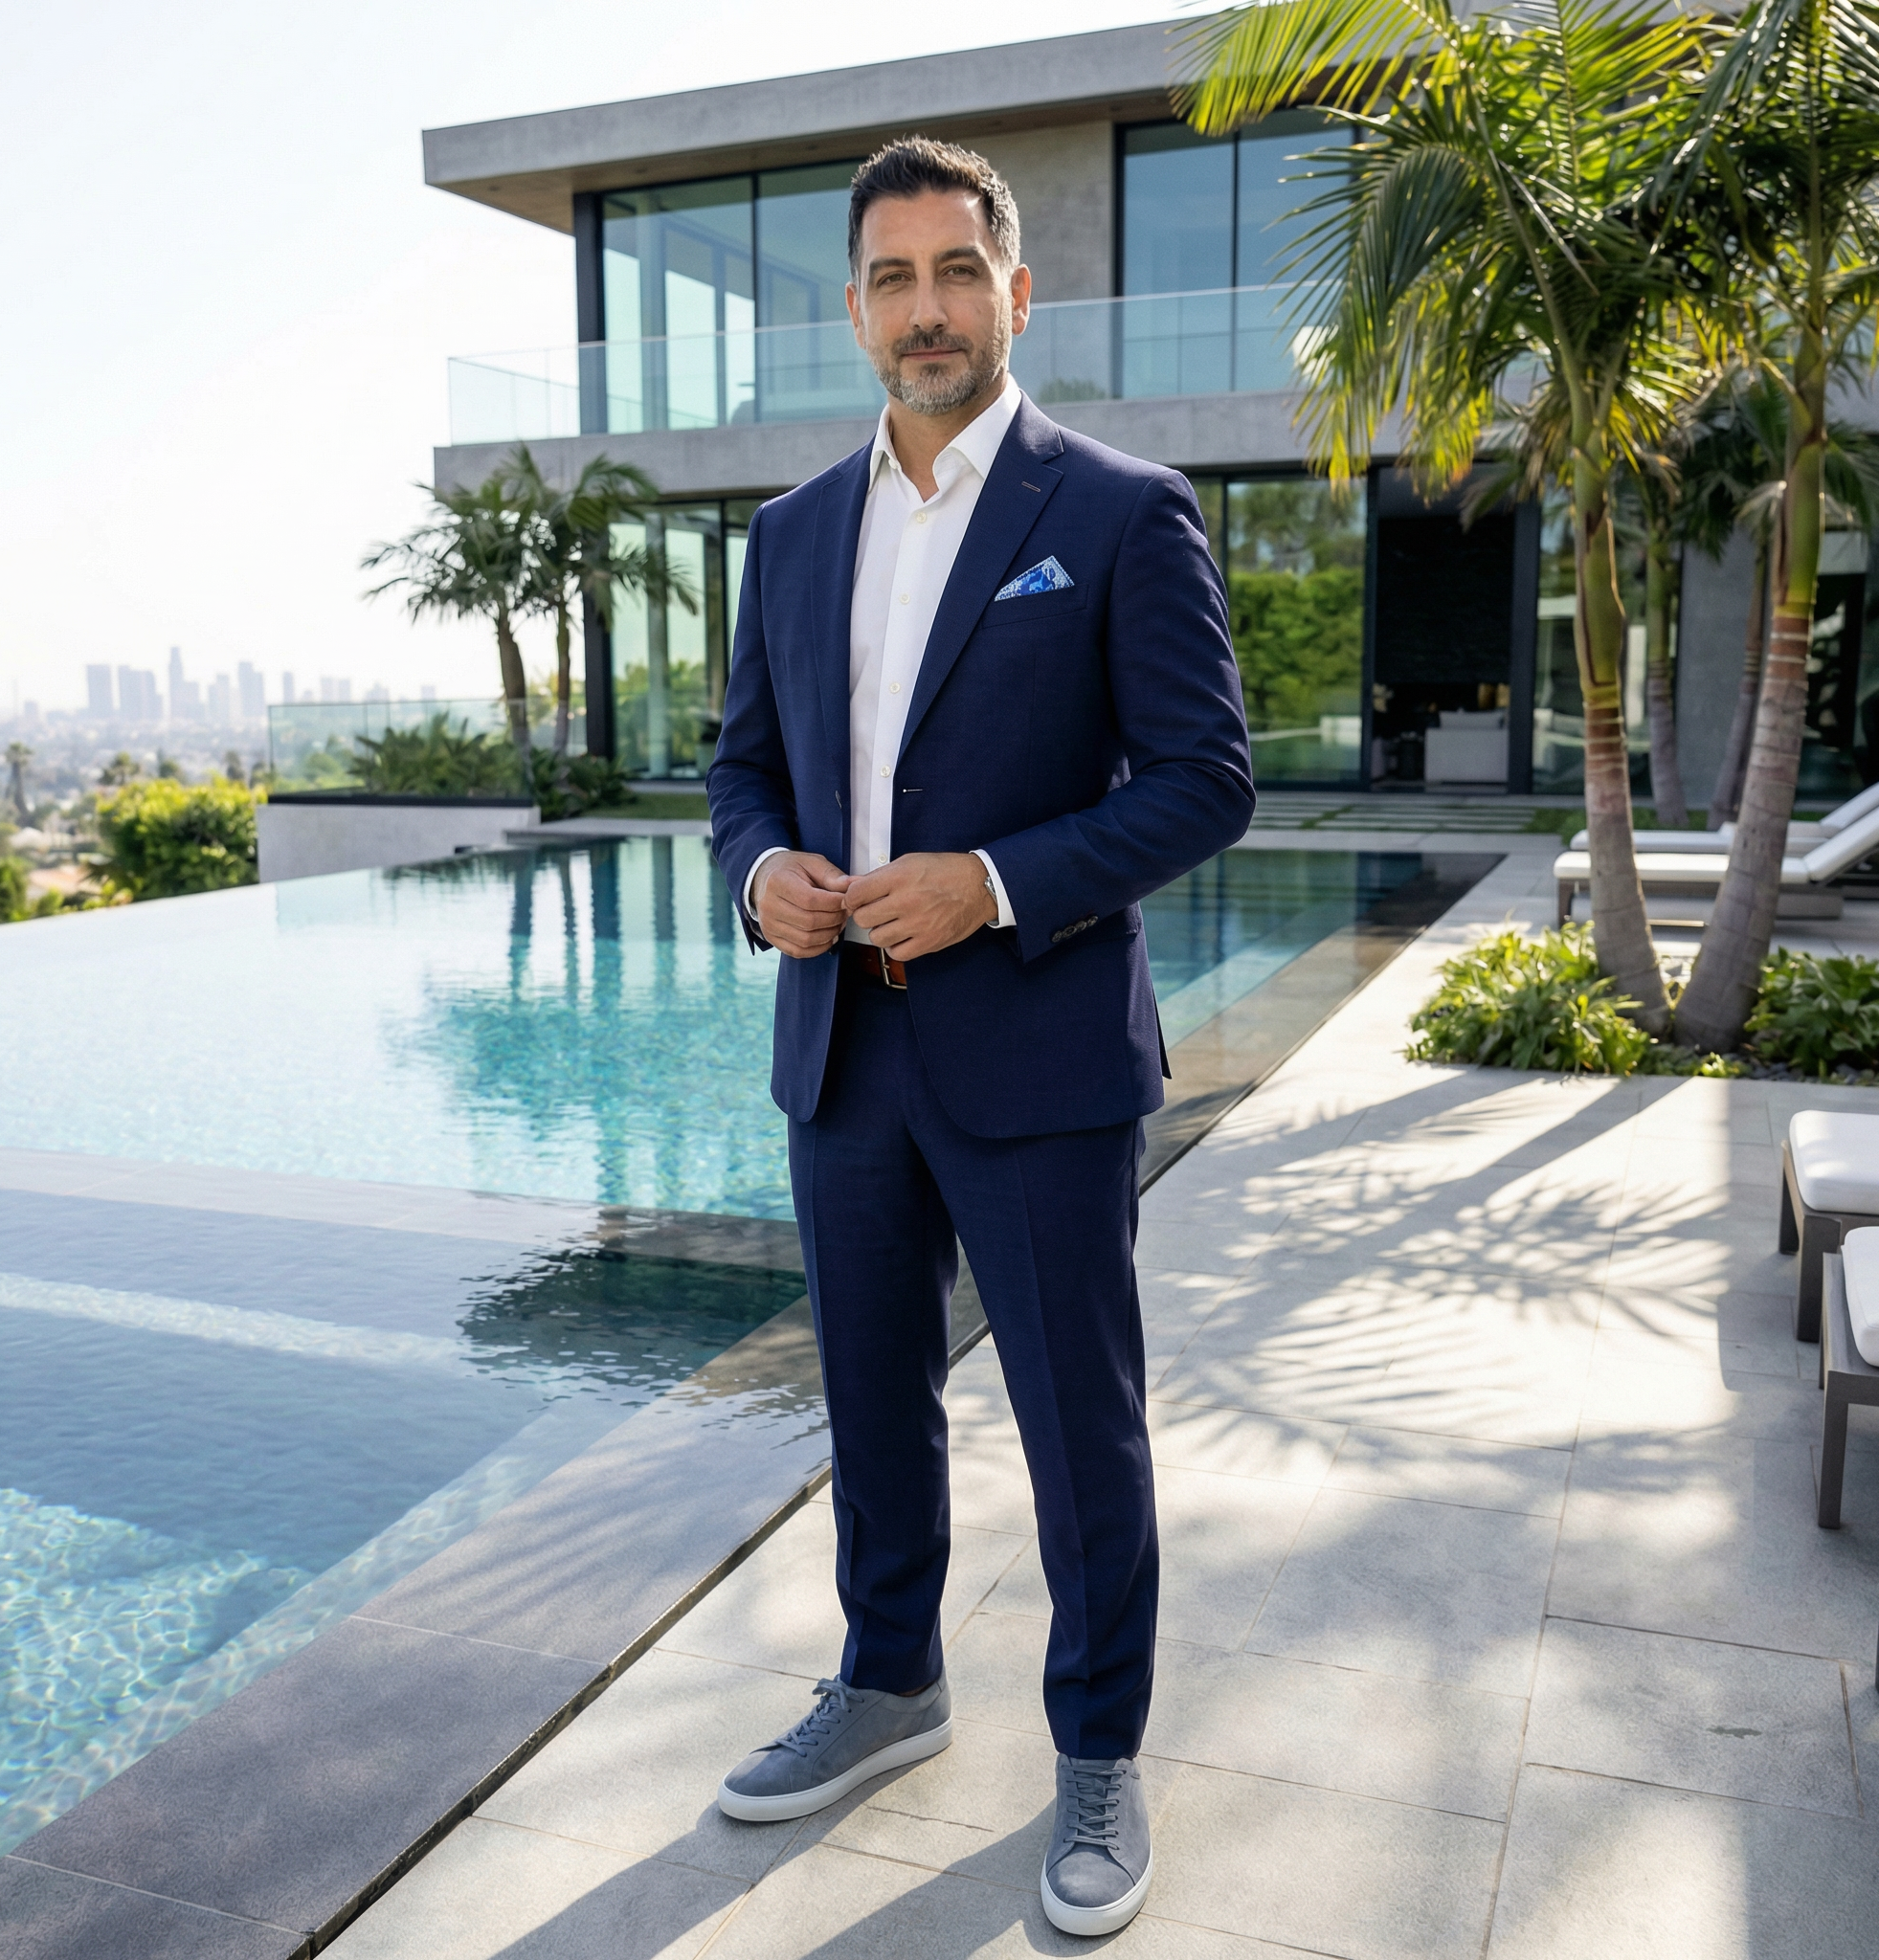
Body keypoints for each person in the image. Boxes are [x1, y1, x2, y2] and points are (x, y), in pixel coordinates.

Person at [705, 135, 1252, 1938]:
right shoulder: (787, 535)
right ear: (851, 310)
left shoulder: (1114, 513)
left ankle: (1098, 1751)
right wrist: (764, 866)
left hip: (1038, 1057)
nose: (924, 309)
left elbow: (1203, 784)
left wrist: (998, 884)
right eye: (890, 278)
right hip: (841, 1054)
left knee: (1078, 1428)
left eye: (957, 273)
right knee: (870, 1406)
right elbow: (741, 775)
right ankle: (887, 1682)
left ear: (1017, 295)